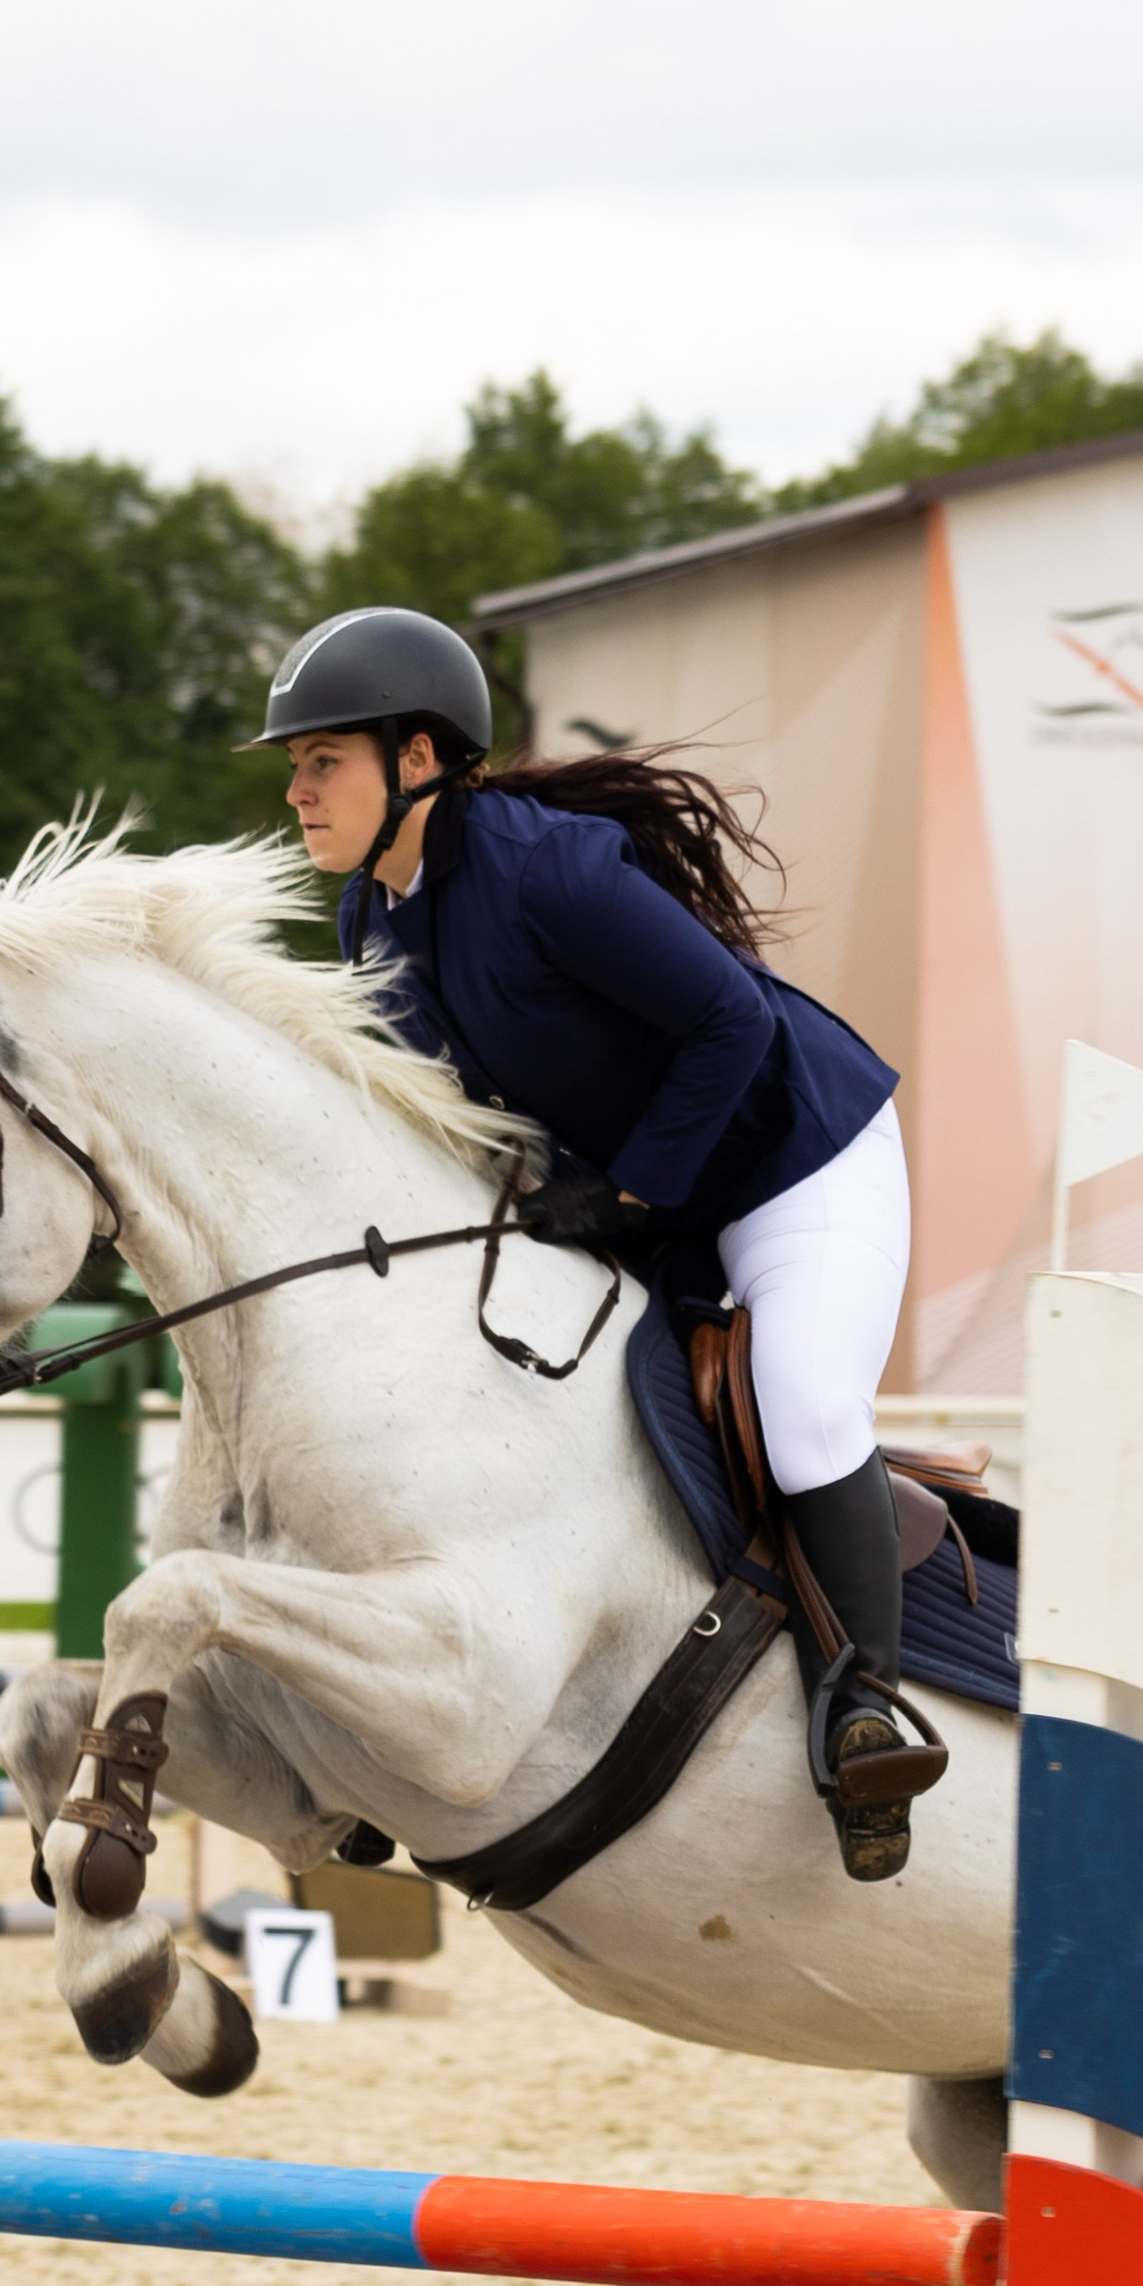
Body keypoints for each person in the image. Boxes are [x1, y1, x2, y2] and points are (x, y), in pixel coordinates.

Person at [244, 602, 944, 1881]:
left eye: (321, 760)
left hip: (792, 1164)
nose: (296, 790)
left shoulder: (548, 870)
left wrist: (626, 1199)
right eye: (296, 765)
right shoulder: (369, 919)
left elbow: (731, 1026)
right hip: (636, 1195)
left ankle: (864, 1713)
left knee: (799, 1407)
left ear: (416, 759)